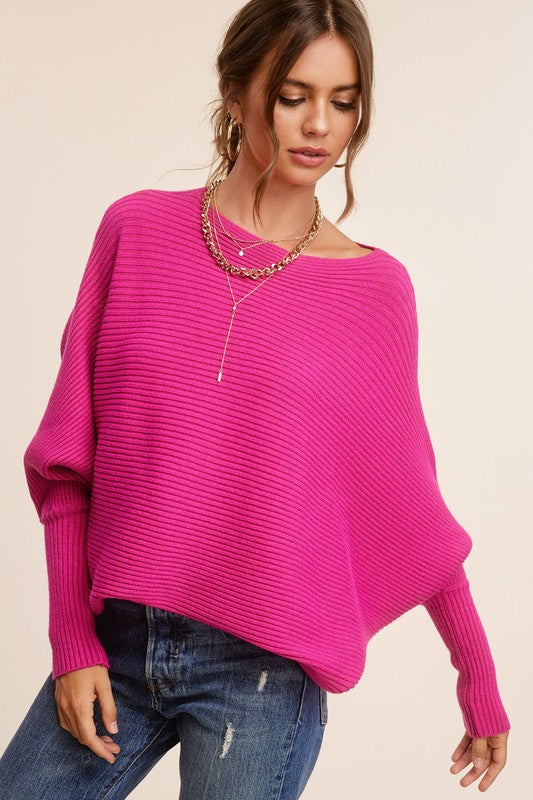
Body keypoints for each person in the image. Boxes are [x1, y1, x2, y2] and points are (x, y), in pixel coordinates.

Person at [0, 1, 510, 797]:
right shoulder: (134, 232)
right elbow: (67, 464)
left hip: (263, 672)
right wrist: (73, 641)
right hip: (117, 641)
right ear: (236, 95)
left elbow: (404, 499)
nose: (319, 125)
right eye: (292, 95)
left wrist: (474, 674)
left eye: (343, 102)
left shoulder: (374, 290)